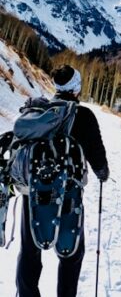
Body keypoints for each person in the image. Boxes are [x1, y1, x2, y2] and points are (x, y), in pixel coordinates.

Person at [16, 65, 109, 297]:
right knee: (72, 253)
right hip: (69, 195)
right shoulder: (83, 115)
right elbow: (98, 157)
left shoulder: (40, 113)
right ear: (76, 88)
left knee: (29, 251)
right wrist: (102, 173)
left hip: (33, 193)